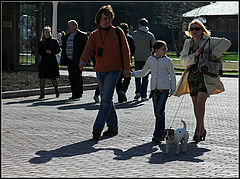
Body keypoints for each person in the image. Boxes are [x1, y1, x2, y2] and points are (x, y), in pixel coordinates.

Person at [174, 19, 231, 143]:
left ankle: (198, 130)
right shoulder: (188, 43)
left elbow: (227, 42)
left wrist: (212, 54)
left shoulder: (209, 41)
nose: (195, 31)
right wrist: (195, 54)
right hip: (192, 77)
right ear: (189, 31)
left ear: (202, 30)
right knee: (196, 105)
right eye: (192, 29)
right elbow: (183, 61)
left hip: (205, 77)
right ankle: (202, 128)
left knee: (200, 103)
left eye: (197, 28)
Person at [79, 5, 131, 140]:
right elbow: (88, 49)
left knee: (105, 100)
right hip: (100, 70)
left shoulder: (118, 32)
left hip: (114, 70)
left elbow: (126, 51)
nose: (107, 21)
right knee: (106, 100)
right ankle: (113, 127)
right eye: (104, 18)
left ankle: (97, 128)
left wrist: (127, 67)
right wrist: (83, 61)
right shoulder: (94, 35)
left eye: (109, 18)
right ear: (99, 20)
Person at [131, 40, 176, 143]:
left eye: (166, 49)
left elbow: (172, 75)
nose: (166, 51)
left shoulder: (167, 61)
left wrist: (173, 89)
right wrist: (132, 74)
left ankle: (158, 135)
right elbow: (143, 72)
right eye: (163, 49)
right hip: (154, 91)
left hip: (164, 90)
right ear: (156, 50)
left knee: (160, 112)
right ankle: (160, 134)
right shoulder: (150, 60)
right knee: (157, 113)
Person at [60, 20, 88, 100]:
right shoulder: (67, 36)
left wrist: (85, 60)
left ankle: (78, 93)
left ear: (75, 26)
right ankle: (74, 93)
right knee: (71, 77)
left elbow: (86, 48)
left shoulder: (82, 35)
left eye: (70, 26)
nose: (68, 28)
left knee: (77, 76)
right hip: (69, 60)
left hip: (78, 60)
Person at [132, 18, 155, 101]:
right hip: (147, 58)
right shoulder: (150, 35)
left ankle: (138, 91)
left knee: (137, 75)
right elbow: (154, 47)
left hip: (137, 57)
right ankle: (143, 95)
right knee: (145, 76)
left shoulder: (134, 34)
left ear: (139, 24)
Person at [37, 26, 61, 99]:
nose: (47, 33)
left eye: (48, 32)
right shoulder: (41, 42)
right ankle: (42, 93)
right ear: (43, 33)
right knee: (42, 77)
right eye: (46, 32)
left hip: (52, 61)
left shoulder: (54, 41)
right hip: (44, 61)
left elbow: (58, 50)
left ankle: (56, 91)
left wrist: (51, 51)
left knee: (53, 78)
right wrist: (45, 51)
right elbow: (39, 52)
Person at [115, 22, 135, 103]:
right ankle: (123, 90)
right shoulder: (129, 38)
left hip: (117, 61)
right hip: (126, 61)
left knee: (118, 79)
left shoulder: (115, 38)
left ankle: (120, 96)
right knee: (127, 77)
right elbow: (133, 49)